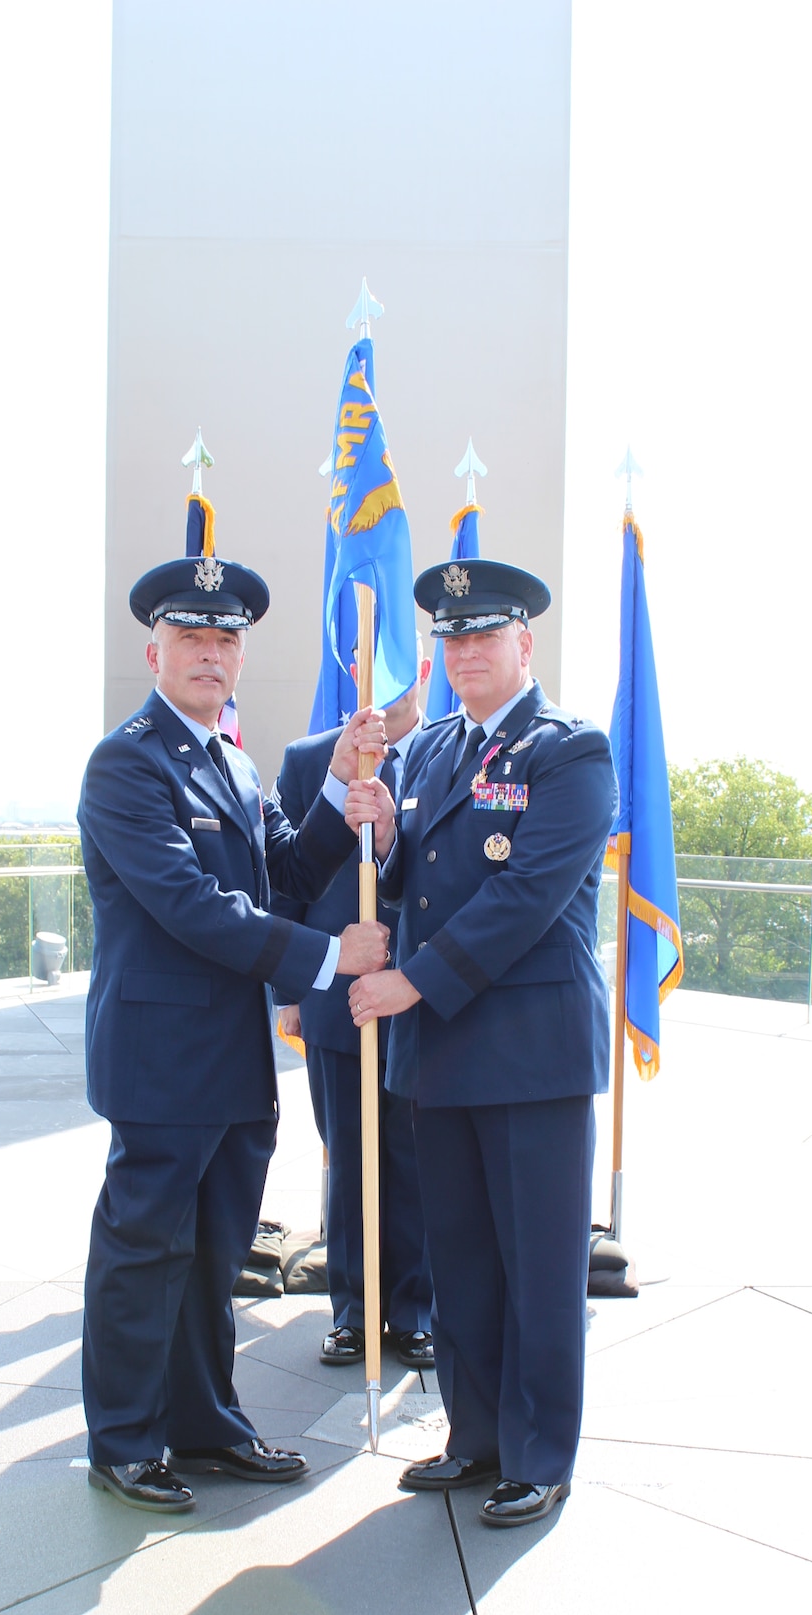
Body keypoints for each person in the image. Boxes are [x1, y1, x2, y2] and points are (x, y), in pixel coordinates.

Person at [76, 551, 390, 1514]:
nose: (210, 653)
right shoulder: (127, 761)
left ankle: (205, 1426)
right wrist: (336, 958)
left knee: (214, 1254)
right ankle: (125, 1442)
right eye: (192, 636)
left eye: (225, 639)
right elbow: (191, 904)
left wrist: (340, 788)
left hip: (234, 1058)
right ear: (154, 648)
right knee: (145, 1250)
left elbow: (281, 871)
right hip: (161, 1059)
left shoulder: (234, 760)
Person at [348, 559, 617, 1527]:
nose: (463, 652)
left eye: (481, 636)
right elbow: (416, 880)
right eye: (449, 639)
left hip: (529, 1049)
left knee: (537, 1264)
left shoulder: (569, 751)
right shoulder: (426, 753)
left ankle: (539, 1452)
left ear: (523, 645)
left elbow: (525, 898)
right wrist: (379, 836)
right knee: (461, 1257)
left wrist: (409, 979)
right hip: (445, 1048)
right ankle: (475, 1436)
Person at [271, 661, 435, 1369]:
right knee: (349, 1158)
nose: (385, 685)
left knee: (418, 1158)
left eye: (400, 669)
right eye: (373, 668)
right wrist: (287, 992)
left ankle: (415, 1309)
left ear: (422, 671)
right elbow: (287, 883)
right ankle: (352, 1311)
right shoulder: (310, 760)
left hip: (427, 994)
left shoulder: (450, 754)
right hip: (336, 999)